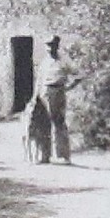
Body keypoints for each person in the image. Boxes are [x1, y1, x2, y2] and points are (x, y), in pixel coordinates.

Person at [38, 35, 72, 164]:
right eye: (48, 45)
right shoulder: (44, 62)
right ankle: (45, 156)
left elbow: (78, 74)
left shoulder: (64, 60)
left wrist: (68, 87)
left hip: (58, 91)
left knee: (59, 122)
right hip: (45, 92)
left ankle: (63, 156)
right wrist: (36, 95)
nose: (50, 48)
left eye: (52, 45)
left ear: (57, 46)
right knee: (43, 123)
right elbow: (39, 80)